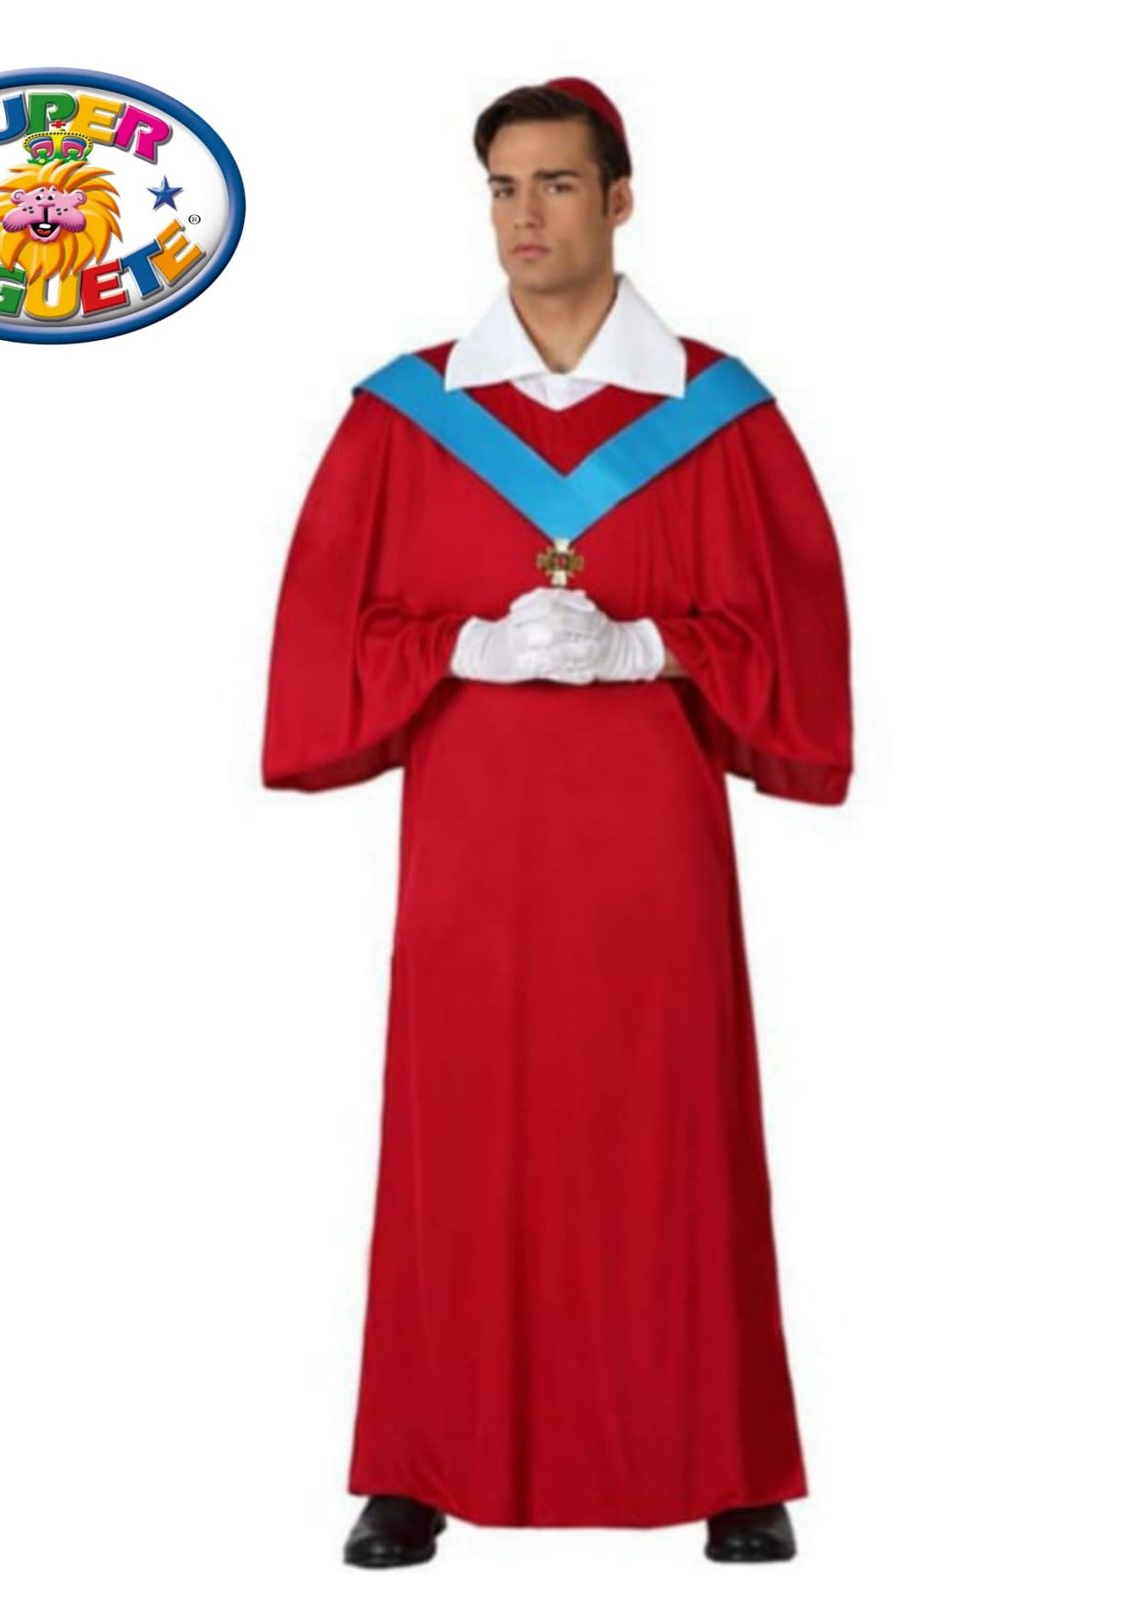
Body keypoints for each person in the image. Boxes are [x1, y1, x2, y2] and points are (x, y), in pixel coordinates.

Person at [261, 75, 853, 1566]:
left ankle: (728, 1463)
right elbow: (328, 625)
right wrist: (465, 645)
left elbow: (791, 625)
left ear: (621, 199)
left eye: (559, 185)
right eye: (503, 188)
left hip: (648, 846)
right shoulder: (409, 413)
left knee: (671, 1124)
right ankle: (419, 1462)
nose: (525, 217)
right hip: (476, 844)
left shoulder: (715, 413)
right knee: (463, 1131)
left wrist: (650, 647)